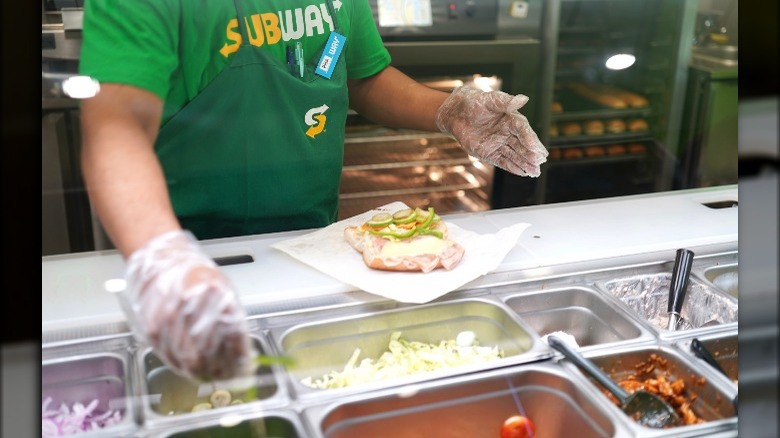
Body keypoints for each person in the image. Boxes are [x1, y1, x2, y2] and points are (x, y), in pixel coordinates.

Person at [78, 0, 548, 382]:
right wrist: (161, 259)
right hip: (185, 259)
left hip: (311, 248)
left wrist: (448, 110)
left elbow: (363, 76)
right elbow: (115, 126)